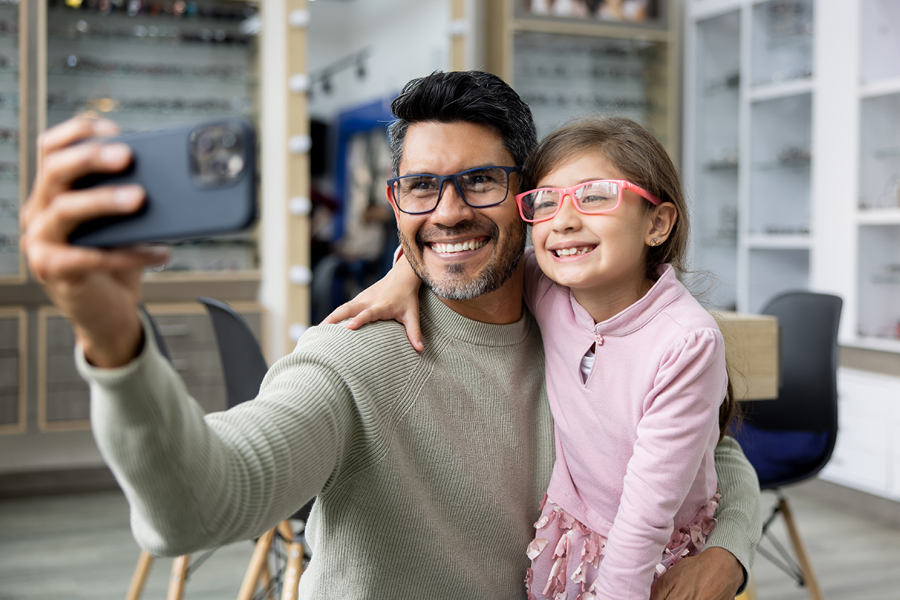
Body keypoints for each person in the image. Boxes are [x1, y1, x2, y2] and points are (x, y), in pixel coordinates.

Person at [21, 70, 760, 599]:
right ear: (396, 199)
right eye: (420, 187)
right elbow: (195, 510)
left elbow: (712, 449)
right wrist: (112, 337)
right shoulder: (353, 358)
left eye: (480, 182)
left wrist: (729, 549)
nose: (446, 212)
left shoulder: (574, 311)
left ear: (524, 202)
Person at [327, 116, 735, 599]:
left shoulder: (686, 342)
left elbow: (647, 513)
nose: (563, 220)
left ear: (658, 223)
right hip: (572, 539)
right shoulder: (550, 285)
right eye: (545, 202)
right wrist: (403, 274)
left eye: (595, 195)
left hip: (649, 556)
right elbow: (461, 253)